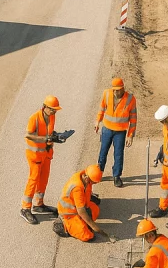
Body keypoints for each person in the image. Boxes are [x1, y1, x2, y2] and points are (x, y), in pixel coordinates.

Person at [21, 95, 62, 225]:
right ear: (45, 107)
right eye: (52, 109)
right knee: (33, 179)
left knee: (44, 179)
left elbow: (48, 131)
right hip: (35, 155)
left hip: (46, 154)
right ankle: (25, 208)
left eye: (55, 110)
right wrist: (44, 139)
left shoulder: (52, 116)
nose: (54, 112)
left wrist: (55, 136)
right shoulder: (34, 118)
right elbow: (28, 134)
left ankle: (39, 204)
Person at [53, 164, 115, 242]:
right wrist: (94, 227)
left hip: (80, 207)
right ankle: (63, 225)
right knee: (88, 236)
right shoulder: (77, 188)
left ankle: (83, 222)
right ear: (87, 178)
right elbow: (81, 211)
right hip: (69, 214)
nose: (93, 184)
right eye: (93, 182)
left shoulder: (85, 177)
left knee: (95, 210)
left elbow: (86, 195)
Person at [94, 77, 137, 188]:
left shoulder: (131, 99)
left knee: (118, 155)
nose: (116, 92)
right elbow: (102, 108)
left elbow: (133, 119)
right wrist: (97, 121)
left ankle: (116, 176)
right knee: (103, 152)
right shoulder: (106, 94)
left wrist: (130, 135)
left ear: (123, 88)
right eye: (114, 90)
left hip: (120, 132)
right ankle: (99, 173)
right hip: (107, 129)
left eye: (118, 90)